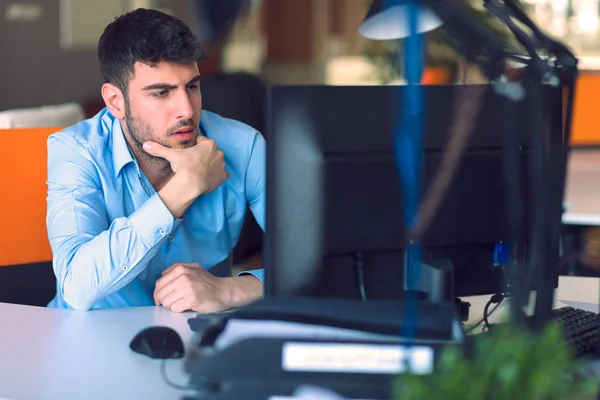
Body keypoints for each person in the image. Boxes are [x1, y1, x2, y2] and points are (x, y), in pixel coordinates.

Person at [45, 8, 265, 312]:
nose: (186, 110)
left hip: (196, 333)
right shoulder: (76, 151)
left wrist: (233, 289)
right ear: (115, 102)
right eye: (161, 93)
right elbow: (75, 288)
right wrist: (181, 191)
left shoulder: (243, 147)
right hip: (89, 337)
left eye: (192, 86)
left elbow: (319, 259)